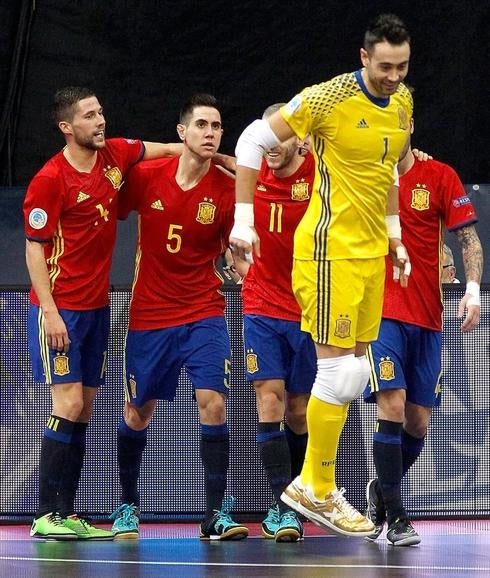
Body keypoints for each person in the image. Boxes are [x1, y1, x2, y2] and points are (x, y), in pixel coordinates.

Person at [230, 13, 413, 537]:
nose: (393, 76)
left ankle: (313, 483)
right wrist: (244, 223)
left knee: (355, 376)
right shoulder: (327, 98)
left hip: (371, 254)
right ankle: (318, 485)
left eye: (401, 66)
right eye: (384, 67)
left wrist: (396, 236)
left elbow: (390, 170)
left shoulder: (402, 102)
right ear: (363, 58)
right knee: (335, 374)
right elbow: (249, 143)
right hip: (328, 251)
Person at [23, 86, 184, 540]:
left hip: (96, 308)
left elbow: (170, 147)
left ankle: (65, 513)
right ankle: (46, 513)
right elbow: (34, 252)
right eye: (90, 115)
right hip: (61, 310)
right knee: (68, 403)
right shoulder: (50, 179)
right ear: (66, 127)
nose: (100, 120)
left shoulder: (114, 155)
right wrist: (51, 313)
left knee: (85, 408)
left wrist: (228, 161)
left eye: (100, 111)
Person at [109, 93, 249, 541]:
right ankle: (127, 504)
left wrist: (248, 273)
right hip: (150, 315)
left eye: (218, 126)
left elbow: (236, 252)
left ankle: (214, 513)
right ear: (182, 132)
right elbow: (103, 204)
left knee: (214, 402)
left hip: (203, 310)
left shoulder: (228, 191)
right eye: (203, 125)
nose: (211, 133)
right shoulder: (148, 176)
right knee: (139, 410)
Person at [363, 118, 483, 545]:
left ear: (411, 124)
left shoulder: (438, 175)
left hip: (428, 317)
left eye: (397, 120)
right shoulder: (362, 175)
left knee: (417, 422)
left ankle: (382, 490)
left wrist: (471, 290)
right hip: (379, 314)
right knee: (391, 406)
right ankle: (396, 517)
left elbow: (468, 238)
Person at [238, 103, 316, 542]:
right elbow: (212, 161)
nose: (271, 146)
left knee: (299, 411)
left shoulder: (319, 178)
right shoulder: (251, 173)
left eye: (279, 137)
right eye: (265, 138)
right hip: (262, 309)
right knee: (269, 403)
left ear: (298, 138)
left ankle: (299, 499)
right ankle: (280, 507)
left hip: (308, 311)